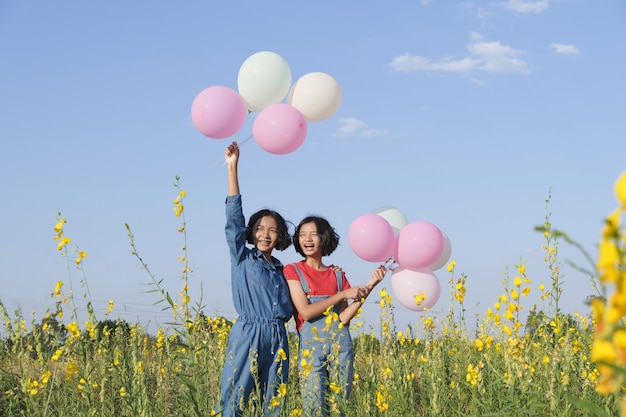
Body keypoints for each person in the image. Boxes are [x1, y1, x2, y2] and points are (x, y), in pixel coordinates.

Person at [217, 141, 293, 417]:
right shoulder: (242, 257)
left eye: (272, 230)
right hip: (248, 333)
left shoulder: (285, 271)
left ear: (280, 236)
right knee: (234, 398)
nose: (265, 234)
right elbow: (233, 218)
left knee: (275, 402)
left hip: (278, 337)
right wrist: (233, 167)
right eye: (260, 228)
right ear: (251, 233)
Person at [283, 216, 387, 416]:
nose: (308, 239)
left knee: (340, 406)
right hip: (311, 350)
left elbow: (343, 318)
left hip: (341, 346)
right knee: (313, 407)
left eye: (313, 234)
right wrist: (342, 295)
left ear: (324, 238)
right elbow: (306, 312)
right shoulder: (293, 270)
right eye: (302, 235)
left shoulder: (338, 275)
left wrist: (371, 285)